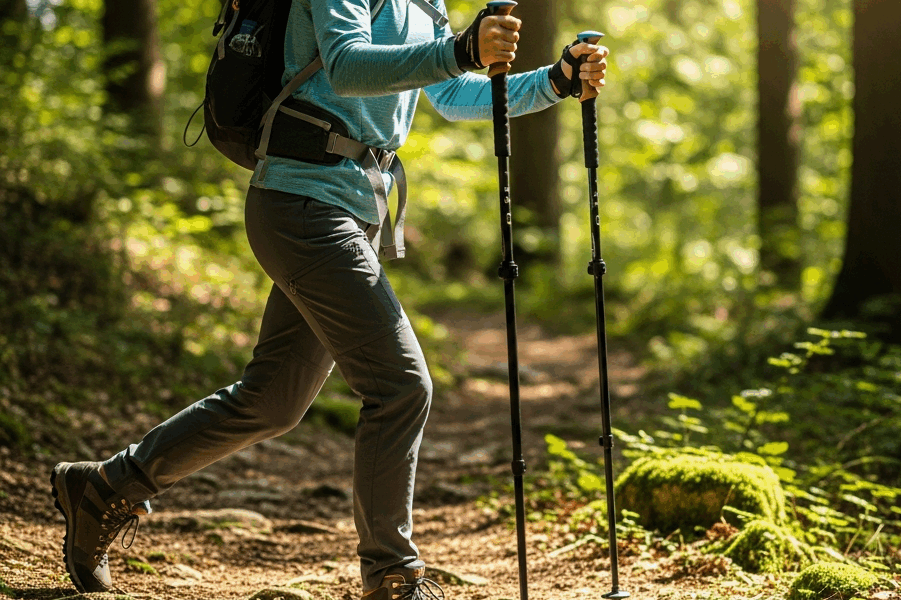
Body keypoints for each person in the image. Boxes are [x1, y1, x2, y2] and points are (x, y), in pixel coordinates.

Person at [50, 0, 609, 598]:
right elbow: (346, 65)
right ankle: (392, 575)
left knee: (272, 401)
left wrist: (554, 81)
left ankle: (105, 486)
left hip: (352, 210)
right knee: (400, 387)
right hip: (301, 203)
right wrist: (460, 50)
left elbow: (452, 94)